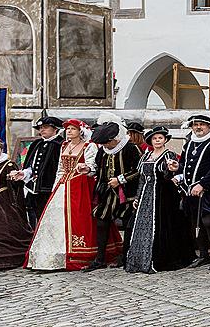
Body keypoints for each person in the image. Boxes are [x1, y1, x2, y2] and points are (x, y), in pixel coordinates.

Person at [25, 119, 120, 271]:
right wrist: (56, 186)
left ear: (80, 131)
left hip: (81, 185)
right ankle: (52, 254)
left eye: (73, 129)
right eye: (68, 129)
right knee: (56, 218)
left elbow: (93, 167)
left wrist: (86, 168)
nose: (69, 132)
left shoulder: (89, 146)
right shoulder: (64, 145)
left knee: (78, 218)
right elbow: (60, 168)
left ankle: (81, 254)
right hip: (64, 185)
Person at [126, 126, 194, 273]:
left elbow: (168, 173)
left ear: (165, 140)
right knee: (141, 226)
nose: (157, 140)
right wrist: (137, 197)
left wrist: (172, 168)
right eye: (155, 138)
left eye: (160, 138)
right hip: (146, 195)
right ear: (151, 141)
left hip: (164, 196)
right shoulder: (146, 156)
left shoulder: (168, 155)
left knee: (163, 226)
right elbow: (142, 179)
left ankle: (159, 258)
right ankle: (140, 260)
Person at [169, 114, 210, 271]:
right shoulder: (190, 143)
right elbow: (185, 164)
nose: (198, 127)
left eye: (202, 125)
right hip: (190, 190)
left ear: (209, 127)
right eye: (195, 124)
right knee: (193, 223)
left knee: (209, 222)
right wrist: (178, 171)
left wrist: (203, 184)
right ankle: (203, 255)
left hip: (209, 191)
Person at [84, 115, 141, 271]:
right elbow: (97, 168)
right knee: (102, 222)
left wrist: (120, 179)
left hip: (127, 193)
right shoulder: (103, 151)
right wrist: (88, 170)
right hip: (106, 192)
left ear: (116, 138)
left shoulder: (130, 148)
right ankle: (100, 258)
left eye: (108, 142)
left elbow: (138, 170)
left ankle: (125, 256)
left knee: (127, 224)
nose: (106, 145)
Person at [0, 136, 33, 270]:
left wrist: (14, 180)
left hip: (3, 202)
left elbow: (17, 185)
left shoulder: (8, 164)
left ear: (1, 149)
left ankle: (3, 258)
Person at [16, 116, 63, 227]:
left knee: (50, 218)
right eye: (40, 128)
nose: (42, 130)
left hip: (50, 189)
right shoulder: (36, 144)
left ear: (55, 129)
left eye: (45, 127)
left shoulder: (61, 145)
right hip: (34, 188)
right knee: (34, 213)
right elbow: (30, 165)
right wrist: (24, 174)